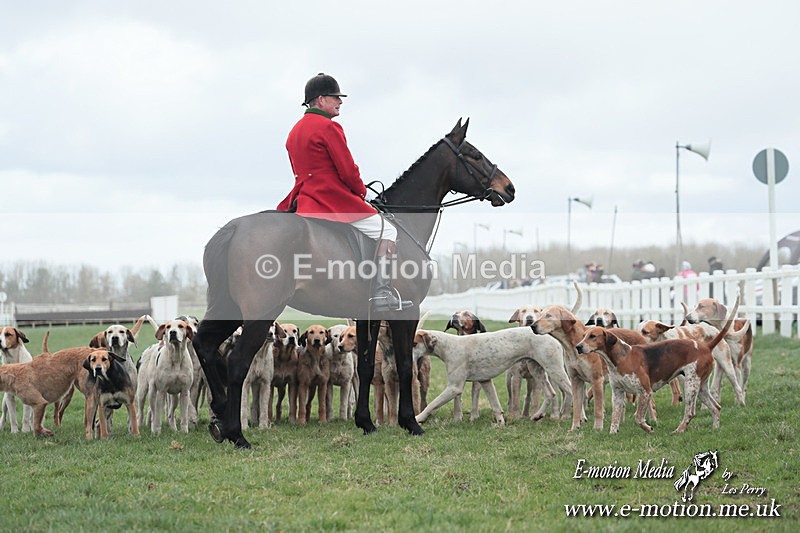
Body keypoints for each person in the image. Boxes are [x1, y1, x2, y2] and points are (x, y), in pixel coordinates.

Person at [277, 73, 411, 313]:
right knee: (387, 229)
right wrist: (361, 193)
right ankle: (381, 293)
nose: (340, 102)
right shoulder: (329, 127)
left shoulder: (294, 131)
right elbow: (347, 170)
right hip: (330, 198)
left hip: (304, 197)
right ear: (320, 100)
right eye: (335, 97)